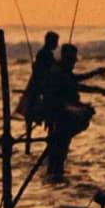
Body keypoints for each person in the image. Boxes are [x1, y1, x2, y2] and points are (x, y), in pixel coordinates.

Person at [24, 35, 96, 182]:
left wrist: (95, 75)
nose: (75, 62)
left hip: (57, 111)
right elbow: (71, 85)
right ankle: (55, 175)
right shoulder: (56, 70)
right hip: (56, 112)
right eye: (73, 58)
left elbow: (73, 81)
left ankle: (55, 174)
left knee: (58, 149)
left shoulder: (58, 69)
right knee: (59, 148)